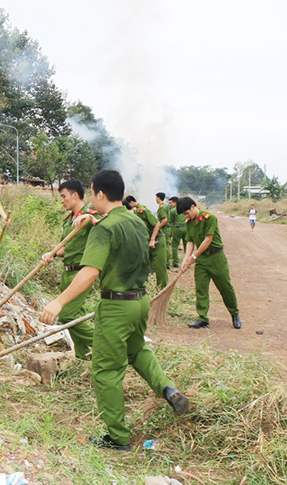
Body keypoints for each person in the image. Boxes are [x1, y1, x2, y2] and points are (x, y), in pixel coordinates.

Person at [39, 170, 189, 451]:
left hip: (116, 305)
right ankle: (168, 388)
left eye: (91, 192)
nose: (90, 198)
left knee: (106, 371)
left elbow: (90, 272)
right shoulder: (136, 223)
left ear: (100, 193)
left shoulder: (105, 228)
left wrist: (59, 301)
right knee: (137, 350)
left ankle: (118, 438)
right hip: (140, 301)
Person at [40, 179, 96, 360]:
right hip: (67, 271)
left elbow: (106, 222)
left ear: (75, 195)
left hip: (81, 273)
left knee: (66, 315)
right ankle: (83, 357)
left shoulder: (89, 216)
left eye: (64, 196)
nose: (62, 200)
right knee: (75, 315)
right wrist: (53, 253)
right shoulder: (68, 220)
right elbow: (67, 247)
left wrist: (90, 219)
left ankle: (105, 344)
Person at [177, 197, 242, 329]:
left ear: (193, 206)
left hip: (216, 257)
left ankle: (234, 313)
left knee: (225, 287)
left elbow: (208, 239)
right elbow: (190, 241)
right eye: (184, 214)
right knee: (201, 288)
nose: (186, 216)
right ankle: (202, 318)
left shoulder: (209, 218)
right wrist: (185, 259)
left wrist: (194, 256)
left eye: (186, 213)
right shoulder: (189, 222)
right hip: (202, 260)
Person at [124, 195, 168, 289]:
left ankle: (162, 288)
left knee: (159, 266)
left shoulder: (143, 211)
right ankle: (142, 287)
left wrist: (152, 239)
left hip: (157, 239)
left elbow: (157, 224)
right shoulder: (131, 217)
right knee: (143, 265)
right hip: (146, 241)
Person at [155, 192, 172, 270]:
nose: (155, 199)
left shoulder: (162, 207)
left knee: (165, 246)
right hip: (165, 228)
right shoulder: (163, 206)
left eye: (156, 197)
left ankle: (166, 263)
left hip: (165, 228)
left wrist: (158, 227)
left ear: (158, 198)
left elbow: (165, 219)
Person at [167, 196, 184, 268]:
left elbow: (171, 221)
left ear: (175, 202)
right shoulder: (184, 208)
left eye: (171, 203)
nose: (170, 204)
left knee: (174, 245)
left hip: (178, 229)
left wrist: (171, 233)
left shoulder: (173, 211)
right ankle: (187, 261)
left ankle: (176, 262)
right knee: (187, 245)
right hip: (186, 228)